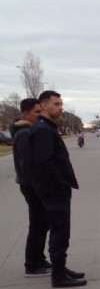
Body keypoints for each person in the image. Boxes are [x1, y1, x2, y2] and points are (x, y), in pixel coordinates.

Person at [28, 91, 86, 287]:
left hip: (54, 188)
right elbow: (43, 162)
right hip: (53, 190)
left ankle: (61, 268)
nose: (60, 107)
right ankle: (59, 276)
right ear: (43, 106)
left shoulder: (46, 127)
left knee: (60, 230)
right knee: (60, 232)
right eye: (56, 104)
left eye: (61, 104)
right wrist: (59, 184)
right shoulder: (43, 129)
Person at [11, 98, 51, 277]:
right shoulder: (23, 134)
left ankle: (39, 259)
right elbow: (28, 165)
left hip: (33, 184)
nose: (39, 115)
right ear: (25, 112)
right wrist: (40, 184)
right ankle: (32, 264)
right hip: (31, 185)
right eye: (36, 112)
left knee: (43, 223)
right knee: (38, 224)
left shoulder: (28, 131)